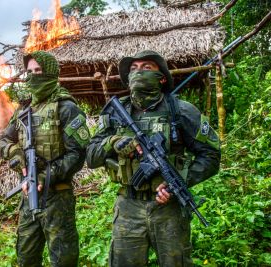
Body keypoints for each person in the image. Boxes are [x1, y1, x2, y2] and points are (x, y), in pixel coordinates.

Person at [86, 50, 221, 267]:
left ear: (162, 77)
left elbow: (211, 155)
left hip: (169, 210)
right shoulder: (114, 113)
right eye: (133, 68)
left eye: (147, 67)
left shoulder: (181, 111)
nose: (139, 72)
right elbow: (91, 157)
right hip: (128, 207)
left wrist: (179, 178)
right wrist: (112, 142)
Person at [0, 50, 90, 267]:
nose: (33, 75)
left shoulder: (66, 107)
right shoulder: (24, 109)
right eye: (29, 71)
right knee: (26, 256)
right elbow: (3, 140)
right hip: (28, 195)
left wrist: (45, 176)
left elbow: (77, 154)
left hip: (57, 197)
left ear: (50, 72)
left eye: (38, 70)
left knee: (62, 257)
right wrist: (14, 153)